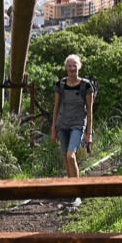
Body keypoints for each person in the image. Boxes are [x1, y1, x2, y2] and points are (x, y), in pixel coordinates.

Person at [45, 53, 97, 208]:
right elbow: (56, 107)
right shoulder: (60, 84)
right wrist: (53, 128)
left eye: (74, 65)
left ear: (79, 67)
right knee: (65, 157)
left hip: (77, 124)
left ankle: (78, 190)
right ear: (66, 68)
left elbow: (90, 110)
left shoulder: (86, 86)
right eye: (69, 65)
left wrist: (89, 133)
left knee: (70, 155)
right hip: (62, 125)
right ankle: (71, 190)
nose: (72, 68)